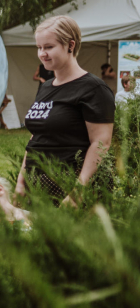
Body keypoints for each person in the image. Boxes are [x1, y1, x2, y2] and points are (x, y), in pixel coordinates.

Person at [16, 16, 114, 204]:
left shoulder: (94, 88)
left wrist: (77, 192)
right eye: (39, 47)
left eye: (48, 47)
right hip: (36, 185)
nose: (42, 54)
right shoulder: (46, 87)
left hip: (68, 186)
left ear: (70, 45)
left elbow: (101, 143)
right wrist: (21, 181)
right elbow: (36, 137)